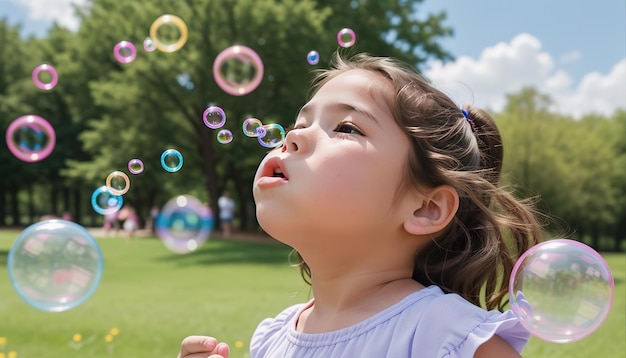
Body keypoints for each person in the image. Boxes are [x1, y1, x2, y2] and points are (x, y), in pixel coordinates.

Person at [177, 53, 543, 358]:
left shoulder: (443, 335)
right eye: (299, 122)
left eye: (346, 128)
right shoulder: (271, 339)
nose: (292, 135)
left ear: (425, 208)